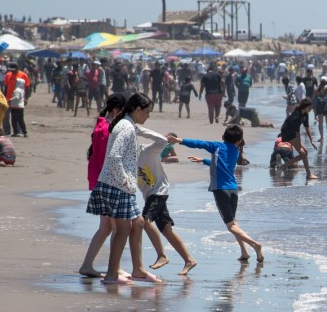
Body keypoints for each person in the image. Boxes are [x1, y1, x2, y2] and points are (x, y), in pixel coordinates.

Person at [86, 92, 154, 284]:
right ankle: (111, 275)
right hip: (117, 186)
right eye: (147, 112)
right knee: (123, 229)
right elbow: (115, 157)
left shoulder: (126, 124)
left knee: (138, 222)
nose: (148, 116)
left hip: (116, 185)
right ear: (137, 109)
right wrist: (126, 181)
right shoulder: (126, 127)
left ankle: (138, 269)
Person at [167, 126, 264, 262]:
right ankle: (244, 252)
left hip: (221, 190)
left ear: (223, 137)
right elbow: (223, 165)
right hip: (233, 190)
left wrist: (179, 140)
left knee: (231, 226)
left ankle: (255, 245)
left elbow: (198, 143)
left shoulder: (217, 146)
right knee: (234, 223)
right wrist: (204, 160)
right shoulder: (236, 151)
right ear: (239, 141)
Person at [135, 125, 198, 276]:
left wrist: (138, 128)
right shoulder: (126, 160)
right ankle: (189, 260)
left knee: (145, 220)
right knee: (166, 229)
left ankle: (162, 256)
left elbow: (163, 141)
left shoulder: (147, 151)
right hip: (151, 194)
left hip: (158, 192)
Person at [80, 93, 128, 278]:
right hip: (106, 181)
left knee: (108, 227)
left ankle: (95, 265)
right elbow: (107, 160)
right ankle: (111, 267)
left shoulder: (102, 125)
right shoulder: (107, 129)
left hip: (99, 180)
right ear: (117, 111)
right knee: (116, 227)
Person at [277, 98, 318, 179]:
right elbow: (297, 134)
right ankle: (308, 174)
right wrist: (299, 147)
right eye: (309, 108)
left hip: (292, 133)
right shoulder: (296, 116)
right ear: (305, 107)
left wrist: (312, 141)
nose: (311, 109)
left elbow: (307, 127)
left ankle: (283, 166)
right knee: (303, 153)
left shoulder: (305, 114)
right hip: (287, 132)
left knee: (304, 153)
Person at [311, 75, 327, 141]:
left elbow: (313, 98)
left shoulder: (316, 89)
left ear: (320, 82)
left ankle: (321, 137)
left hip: (319, 106)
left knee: (320, 123)